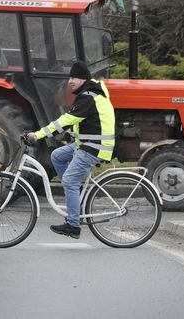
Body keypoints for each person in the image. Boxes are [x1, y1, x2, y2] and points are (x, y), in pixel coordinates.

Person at [28, 61, 115, 239]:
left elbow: (67, 120)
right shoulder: (89, 94)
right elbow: (79, 122)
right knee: (57, 156)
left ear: (83, 79)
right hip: (87, 142)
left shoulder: (88, 96)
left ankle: (73, 225)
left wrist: (39, 134)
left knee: (69, 180)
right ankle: (75, 192)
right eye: (69, 77)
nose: (70, 81)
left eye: (73, 77)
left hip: (93, 147)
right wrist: (69, 138)